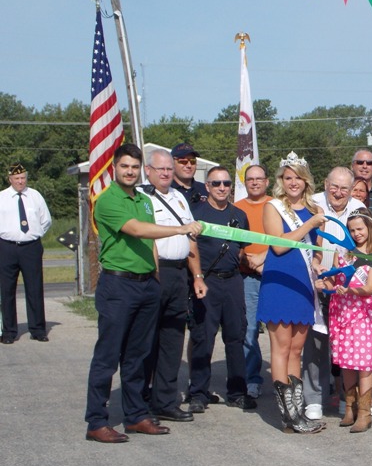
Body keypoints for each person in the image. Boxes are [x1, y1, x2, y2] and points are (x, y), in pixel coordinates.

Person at [85, 143, 202, 444]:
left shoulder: (143, 200)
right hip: (118, 285)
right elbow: (137, 230)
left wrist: (155, 276)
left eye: (134, 167)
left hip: (147, 283)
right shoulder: (107, 200)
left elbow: (149, 243)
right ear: (114, 167)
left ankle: (136, 415)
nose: (129, 172)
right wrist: (180, 230)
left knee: (138, 356)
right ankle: (96, 421)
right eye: (124, 166)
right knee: (108, 356)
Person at [258, 152, 327, 434]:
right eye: (288, 177)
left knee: (297, 350)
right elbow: (278, 246)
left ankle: (298, 412)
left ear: (306, 180)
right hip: (280, 282)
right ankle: (287, 416)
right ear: (281, 181)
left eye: (298, 177)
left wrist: (318, 263)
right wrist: (309, 224)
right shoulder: (273, 207)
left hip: (303, 283)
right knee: (282, 347)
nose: (293, 182)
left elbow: (317, 249)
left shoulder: (314, 209)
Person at [141, 150, 207, 422]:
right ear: (148, 170)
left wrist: (197, 276)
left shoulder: (179, 198)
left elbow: (191, 238)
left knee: (172, 339)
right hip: (154, 272)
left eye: (169, 168)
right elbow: (144, 237)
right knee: (146, 340)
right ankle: (140, 401)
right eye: (161, 169)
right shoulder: (141, 198)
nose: (166, 173)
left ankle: (165, 402)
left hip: (179, 274)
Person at [187, 166, 254, 413]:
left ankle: (237, 392)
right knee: (203, 338)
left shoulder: (239, 215)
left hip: (233, 281)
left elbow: (241, 250)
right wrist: (197, 278)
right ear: (207, 186)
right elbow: (190, 249)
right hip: (207, 281)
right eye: (216, 183)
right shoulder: (196, 214)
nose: (222, 188)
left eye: (226, 183)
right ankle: (198, 393)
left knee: (236, 337)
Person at [317, 209, 372, 433]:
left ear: (369, 228)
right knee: (346, 362)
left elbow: (370, 288)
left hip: (362, 315)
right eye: (352, 230)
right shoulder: (342, 253)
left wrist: (350, 290)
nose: (356, 234)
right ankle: (349, 408)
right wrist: (324, 283)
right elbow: (333, 281)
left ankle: (364, 412)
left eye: (360, 229)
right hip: (342, 314)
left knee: (364, 364)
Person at [307, 167, 363, 420]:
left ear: (352, 190)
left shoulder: (359, 207)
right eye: (334, 187)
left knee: (348, 346)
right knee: (315, 345)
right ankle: (314, 399)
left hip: (347, 288)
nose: (339, 193)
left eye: (344, 188)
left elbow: (365, 247)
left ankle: (347, 399)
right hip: (317, 282)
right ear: (325, 184)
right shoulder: (312, 204)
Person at [0, 163, 51, 344]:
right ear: (10, 179)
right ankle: (9, 332)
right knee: (6, 290)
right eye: (17, 178)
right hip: (7, 247)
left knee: (34, 288)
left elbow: (46, 220)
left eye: (23, 178)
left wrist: (33, 235)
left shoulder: (35, 196)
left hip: (31, 247)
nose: (20, 181)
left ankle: (38, 330)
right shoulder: (2, 197)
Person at [233, 164, 272, 400]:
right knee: (249, 330)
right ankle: (252, 379)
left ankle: (285, 378)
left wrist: (264, 259)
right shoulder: (236, 208)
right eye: (250, 179)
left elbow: (283, 239)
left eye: (259, 178)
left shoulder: (277, 206)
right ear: (245, 182)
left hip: (274, 274)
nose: (255, 182)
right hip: (247, 276)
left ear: (267, 181)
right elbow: (232, 243)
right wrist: (250, 261)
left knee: (281, 330)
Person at [170, 143, 208, 208]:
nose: (189, 165)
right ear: (172, 163)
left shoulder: (205, 190)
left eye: (193, 161)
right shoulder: (166, 191)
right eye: (183, 161)